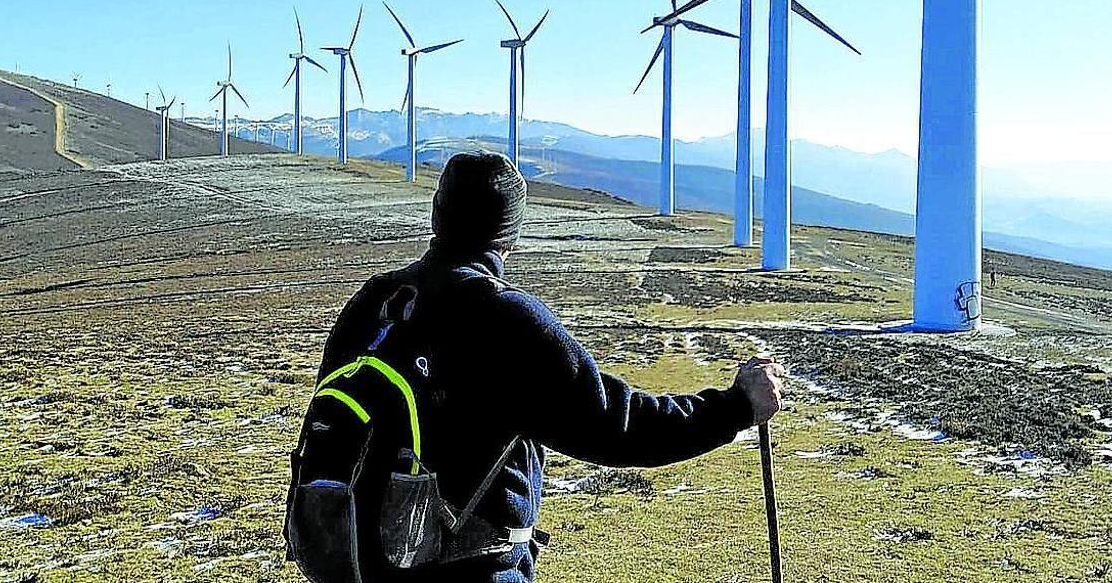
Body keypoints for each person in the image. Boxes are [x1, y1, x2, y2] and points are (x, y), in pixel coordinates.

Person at [314, 151, 786, 582]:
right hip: (470, 571)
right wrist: (735, 407)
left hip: (358, 562)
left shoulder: (374, 302)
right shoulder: (505, 318)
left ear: (437, 214)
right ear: (510, 233)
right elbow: (616, 427)